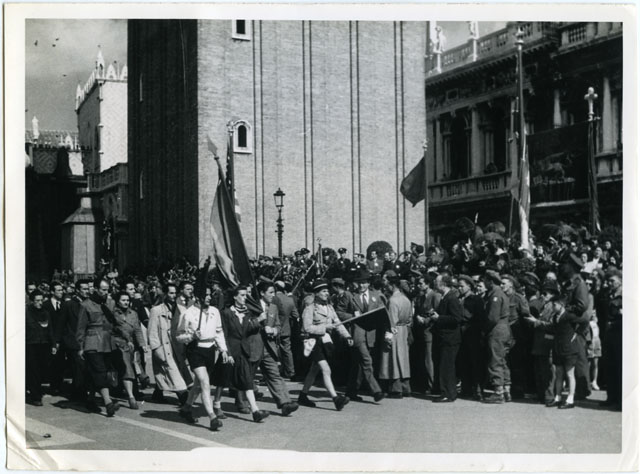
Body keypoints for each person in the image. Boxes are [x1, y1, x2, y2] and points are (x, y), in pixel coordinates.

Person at [176, 287, 230, 431]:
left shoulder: (215, 311)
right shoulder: (188, 314)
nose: (209, 298)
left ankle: (186, 408)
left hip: (210, 350)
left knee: (198, 384)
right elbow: (179, 336)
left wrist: (223, 349)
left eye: (210, 295)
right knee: (205, 382)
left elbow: (219, 331)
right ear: (197, 297)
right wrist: (191, 336)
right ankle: (212, 417)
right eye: (206, 295)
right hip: (195, 350)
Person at [297, 279, 353, 410]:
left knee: (314, 370)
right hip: (314, 342)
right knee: (326, 369)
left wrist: (347, 336)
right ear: (316, 293)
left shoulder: (329, 307)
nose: (327, 293)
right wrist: (325, 327)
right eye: (323, 291)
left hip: (326, 343)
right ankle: (336, 398)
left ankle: (303, 395)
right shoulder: (310, 308)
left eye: (327, 291)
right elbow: (307, 328)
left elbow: (337, 323)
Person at [220, 286, 270, 423]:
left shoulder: (247, 312)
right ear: (234, 297)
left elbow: (247, 330)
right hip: (231, 350)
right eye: (242, 295)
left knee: (247, 380)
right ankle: (211, 406)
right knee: (221, 382)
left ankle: (255, 411)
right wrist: (226, 352)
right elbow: (224, 333)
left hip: (243, 351)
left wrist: (258, 320)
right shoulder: (226, 313)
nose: (245, 298)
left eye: (245, 295)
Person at [335, 268, 386, 403]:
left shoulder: (376, 296)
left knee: (358, 363)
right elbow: (338, 312)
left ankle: (351, 391)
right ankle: (376, 391)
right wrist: (353, 316)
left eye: (364, 282)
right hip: (357, 333)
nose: (362, 285)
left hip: (371, 334)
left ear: (369, 283)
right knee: (366, 360)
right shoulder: (349, 295)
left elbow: (382, 312)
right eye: (359, 283)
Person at [76, 279, 120, 417]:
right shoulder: (86, 305)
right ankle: (108, 402)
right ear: (95, 289)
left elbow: (115, 323)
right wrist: (80, 346)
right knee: (99, 371)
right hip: (92, 342)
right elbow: (81, 327)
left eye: (107, 290)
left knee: (99, 372)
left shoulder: (111, 303)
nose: (106, 292)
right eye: (103, 290)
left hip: (108, 342)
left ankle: (90, 399)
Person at [255, 281, 299, 416]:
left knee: (274, 374)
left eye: (274, 292)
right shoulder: (252, 306)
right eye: (270, 292)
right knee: (247, 375)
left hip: (268, 347)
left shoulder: (273, 307)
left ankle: (285, 403)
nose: (273, 295)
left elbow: (279, 326)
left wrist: (274, 330)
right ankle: (242, 402)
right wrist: (259, 321)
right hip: (254, 346)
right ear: (262, 293)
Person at [147, 283, 190, 405]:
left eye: (175, 293)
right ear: (165, 294)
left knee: (168, 372)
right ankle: (184, 398)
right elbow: (152, 331)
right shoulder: (156, 310)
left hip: (177, 346)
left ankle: (157, 393)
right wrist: (156, 348)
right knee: (172, 372)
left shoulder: (180, 309)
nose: (173, 295)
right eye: (171, 293)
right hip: (164, 347)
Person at [429, 271, 463, 403]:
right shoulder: (445, 297)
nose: (435, 284)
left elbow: (457, 318)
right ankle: (449, 392)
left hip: (450, 338)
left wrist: (439, 318)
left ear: (443, 284)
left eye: (437, 282)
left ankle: (447, 393)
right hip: (445, 338)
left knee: (446, 366)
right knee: (446, 366)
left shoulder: (451, 298)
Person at [56, 279, 91, 403]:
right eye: (84, 289)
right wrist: (59, 341)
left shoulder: (90, 304)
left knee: (85, 368)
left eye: (88, 288)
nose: (87, 291)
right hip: (73, 341)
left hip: (88, 340)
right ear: (77, 290)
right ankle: (79, 394)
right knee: (78, 368)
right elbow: (61, 324)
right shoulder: (69, 304)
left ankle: (80, 392)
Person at [378, 271, 412, 398]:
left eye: (388, 285)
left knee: (393, 358)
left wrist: (388, 337)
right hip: (404, 330)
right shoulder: (406, 299)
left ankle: (396, 389)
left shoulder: (392, 301)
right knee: (403, 359)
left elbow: (391, 321)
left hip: (395, 330)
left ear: (392, 286)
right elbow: (410, 318)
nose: (386, 287)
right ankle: (406, 387)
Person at [112, 292, 148, 409]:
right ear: (118, 302)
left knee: (134, 365)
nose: (126, 302)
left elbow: (137, 330)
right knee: (127, 368)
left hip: (131, 345)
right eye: (123, 300)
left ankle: (140, 381)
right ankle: (131, 396)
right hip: (117, 344)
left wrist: (142, 344)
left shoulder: (133, 314)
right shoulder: (113, 313)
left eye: (127, 300)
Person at [482, 270, 512, 404]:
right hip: (504, 329)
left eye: (485, 280)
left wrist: (485, 330)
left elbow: (493, 318)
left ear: (490, 281)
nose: (484, 283)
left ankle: (498, 392)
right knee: (502, 360)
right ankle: (506, 390)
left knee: (495, 360)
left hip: (496, 330)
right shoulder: (501, 294)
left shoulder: (495, 295)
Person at [548, 294, 580, 409]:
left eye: (554, 305)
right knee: (559, 374)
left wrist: (577, 334)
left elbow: (584, 322)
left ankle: (570, 400)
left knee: (570, 374)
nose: (553, 307)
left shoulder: (570, 316)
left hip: (569, 349)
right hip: (558, 349)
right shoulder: (555, 317)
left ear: (561, 304)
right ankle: (558, 398)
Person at [457, 274, 486, 400]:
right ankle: (466, 388)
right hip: (461, 333)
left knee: (475, 362)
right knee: (463, 361)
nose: (459, 288)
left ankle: (478, 388)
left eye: (462, 286)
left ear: (469, 286)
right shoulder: (459, 299)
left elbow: (480, 317)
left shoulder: (476, 300)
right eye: (458, 286)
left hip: (473, 332)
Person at [26, 290, 57, 406]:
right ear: (31, 301)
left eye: (41, 300)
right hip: (30, 345)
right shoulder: (26, 313)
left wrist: (53, 344)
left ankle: (36, 390)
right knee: (33, 370)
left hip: (44, 344)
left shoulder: (45, 313)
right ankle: (35, 396)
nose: (40, 303)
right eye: (37, 301)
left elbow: (50, 330)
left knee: (41, 369)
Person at [413, 274, 441, 394]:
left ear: (428, 284)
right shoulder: (421, 297)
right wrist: (417, 317)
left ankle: (433, 385)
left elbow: (438, 312)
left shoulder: (434, 296)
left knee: (429, 359)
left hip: (431, 330)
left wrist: (425, 320)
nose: (418, 286)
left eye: (421, 283)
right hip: (423, 331)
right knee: (425, 358)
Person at [43, 281, 66, 394]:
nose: (61, 292)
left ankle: (60, 385)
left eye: (62, 290)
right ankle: (54, 386)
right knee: (52, 362)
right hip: (50, 338)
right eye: (59, 290)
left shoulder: (65, 304)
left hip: (63, 338)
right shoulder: (46, 305)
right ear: (52, 292)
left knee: (61, 362)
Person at [273, 281, 298, 379]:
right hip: (286, 328)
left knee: (272, 350)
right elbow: (295, 315)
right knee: (287, 351)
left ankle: (274, 372)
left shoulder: (273, 298)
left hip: (273, 328)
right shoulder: (289, 300)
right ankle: (290, 371)